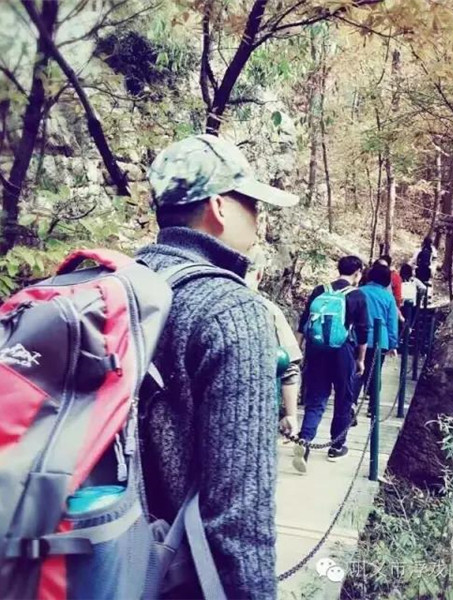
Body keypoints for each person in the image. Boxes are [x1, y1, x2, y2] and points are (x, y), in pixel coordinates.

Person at [136, 134, 299, 599]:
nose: (259, 218)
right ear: (219, 207)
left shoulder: (121, 283)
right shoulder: (232, 309)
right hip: (170, 577)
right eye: (253, 204)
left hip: (91, 561)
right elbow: (240, 519)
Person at [293, 256, 368, 471]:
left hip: (316, 350)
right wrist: (360, 359)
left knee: (316, 397)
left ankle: (305, 440)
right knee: (343, 398)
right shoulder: (357, 295)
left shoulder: (320, 290)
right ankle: (336, 446)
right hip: (342, 352)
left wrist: (299, 350)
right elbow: (363, 332)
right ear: (357, 273)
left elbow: (304, 322)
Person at [245, 246, 301, 439]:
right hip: (256, 414)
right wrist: (291, 415)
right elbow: (289, 366)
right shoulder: (268, 310)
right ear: (259, 274)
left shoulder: (198, 299)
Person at [354, 262, 399, 403]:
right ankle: (373, 406)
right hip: (380, 339)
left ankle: (351, 403)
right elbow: (392, 322)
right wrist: (393, 344)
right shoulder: (388, 297)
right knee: (375, 373)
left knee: (357, 371)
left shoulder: (358, 292)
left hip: (357, 337)